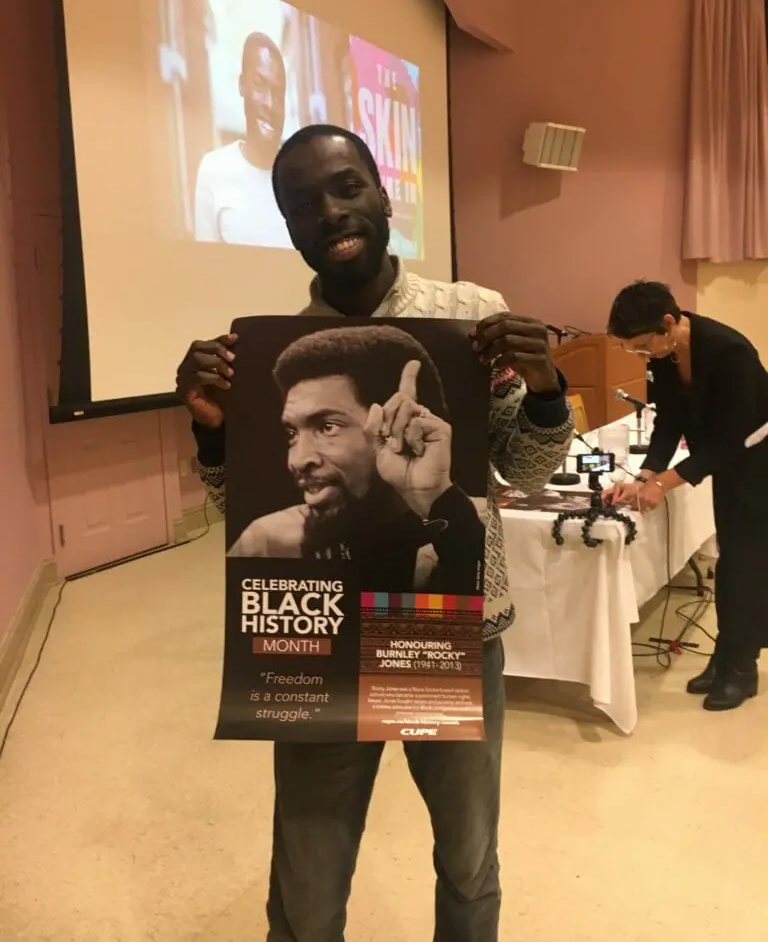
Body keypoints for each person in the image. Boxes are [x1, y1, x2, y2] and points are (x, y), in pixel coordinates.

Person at [176, 123, 573, 941]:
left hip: (445, 630)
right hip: (324, 637)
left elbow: (529, 473)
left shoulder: (472, 318)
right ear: (287, 229)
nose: (329, 212)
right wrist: (217, 433)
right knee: (307, 884)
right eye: (301, 204)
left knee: (468, 862)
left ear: (384, 194)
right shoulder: (271, 353)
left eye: (346, 186)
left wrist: (542, 390)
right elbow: (238, 507)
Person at [228, 324, 487, 596]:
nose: (297, 459)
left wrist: (442, 504)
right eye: (292, 433)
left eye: (328, 427)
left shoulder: (472, 525)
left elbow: (481, 621)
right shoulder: (270, 540)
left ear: (401, 426)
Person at [605, 280, 768, 712]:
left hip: (759, 460)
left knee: (748, 565)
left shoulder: (730, 351)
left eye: (644, 345)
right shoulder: (665, 354)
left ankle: (741, 666)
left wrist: (663, 483)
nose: (643, 354)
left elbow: (736, 438)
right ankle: (728, 656)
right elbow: (669, 420)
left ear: (669, 322)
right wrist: (643, 474)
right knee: (733, 560)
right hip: (727, 461)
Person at [194, 32, 292, 248]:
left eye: (278, 93)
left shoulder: (299, 175)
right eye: (259, 84)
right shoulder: (214, 168)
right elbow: (204, 266)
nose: (269, 103)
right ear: (242, 84)